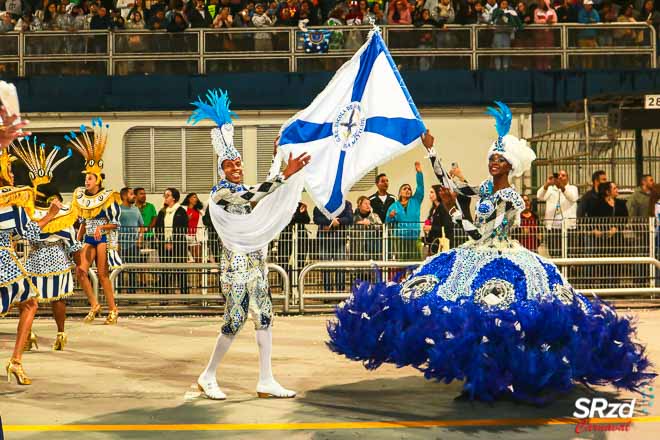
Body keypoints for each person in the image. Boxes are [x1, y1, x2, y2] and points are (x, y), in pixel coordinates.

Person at [328, 102, 655, 402]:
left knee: (501, 320)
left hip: (501, 257)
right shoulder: (485, 188)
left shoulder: (513, 199)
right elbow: (455, 189)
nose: (492, 163)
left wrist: (455, 212)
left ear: (510, 165)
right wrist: (432, 152)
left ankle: (508, 376)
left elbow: (479, 231)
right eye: (491, 158)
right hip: (473, 252)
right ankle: (476, 377)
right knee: (462, 318)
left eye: (499, 159)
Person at [191, 89, 310, 400]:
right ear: (221, 170)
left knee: (266, 315)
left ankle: (266, 379)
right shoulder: (220, 194)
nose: (237, 167)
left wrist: (278, 158)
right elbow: (253, 195)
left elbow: (263, 192)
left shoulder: (243, 187)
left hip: (255, 261)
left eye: (239, 163)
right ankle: (208, 374)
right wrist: (284, 174)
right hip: (235, 264)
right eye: (230, 165)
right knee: (235, 317)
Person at [1, 102, 62, 385]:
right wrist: (50, 215)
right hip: (4, 261)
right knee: (30, 304)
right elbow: (31, 234)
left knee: (30, 302)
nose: (14, 176)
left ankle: (16, 360)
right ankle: (15, 360)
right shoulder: (12, 199)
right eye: (10, 171)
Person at [11, 140, 81, 352]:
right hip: (58, 261)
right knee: (57, 299)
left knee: (30, 301)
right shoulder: (63, 216)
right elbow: (73, 245)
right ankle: (60, 333)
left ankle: (29, 334)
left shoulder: (29, 215)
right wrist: (80, 266)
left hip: (33, 260)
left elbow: (18, 235)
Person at [67, 118, 123, 325]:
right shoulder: (81, 196)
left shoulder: (109, 197)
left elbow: (116, 223)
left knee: (102, 274)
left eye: (89, 178)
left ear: (98, 180)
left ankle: (113, 309)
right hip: (89, 238)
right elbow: (82, 221)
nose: (86, 181)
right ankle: (94, 305)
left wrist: (101, 226)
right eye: (85, 178)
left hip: (103, 239)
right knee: (81, 271)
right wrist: (77, 241)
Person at [385, 161, 424, 261]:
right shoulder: (394, 206)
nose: (407, 190)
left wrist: (419, 173)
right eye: (404, 189)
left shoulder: (416, 201)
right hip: (400, 237)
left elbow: (420, 188)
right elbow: (387, 222)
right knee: (402, 261)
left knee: (416, 261)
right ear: (400, 193)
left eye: (409, 189)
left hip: (414, 236)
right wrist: (390, 216)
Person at [154, 187, 189, 294]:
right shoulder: (162, 211)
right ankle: (163, 294)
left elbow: (184, 228)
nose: (165, 197)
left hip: (178, 244)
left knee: (181, 268)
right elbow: (158, 228)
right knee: (164, 268)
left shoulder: (181, 211)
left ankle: (184, 294)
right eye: (164, 195)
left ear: (174, 198)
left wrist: (172, 241)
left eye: (167, 195)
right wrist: (164, 242)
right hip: (163, 245)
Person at [536, 170, 578, 257]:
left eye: (563, 175)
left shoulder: (573, 188)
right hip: (553, 227)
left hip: (569, 227)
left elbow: (573, 198)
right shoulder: (551, 189)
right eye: (559, 175)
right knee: (555, 253)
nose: (560, 177)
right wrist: (547, 184)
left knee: (570, 254)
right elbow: (539, 196)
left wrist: (562, 187)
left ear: (567, 178)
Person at [314, 201, 353, 291]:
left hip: (340, 240)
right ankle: (328, 291)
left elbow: (350, 218)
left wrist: (337, 221)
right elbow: (316, 218)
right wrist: (332, 222)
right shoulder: (321, 203)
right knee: (325, 267)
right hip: (324, 240)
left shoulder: (346, 203)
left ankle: (340, 291)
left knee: (340, 267)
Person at [118, 187, 144, 294]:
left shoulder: (136, 209)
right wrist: (116, 243)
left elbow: (142, 226)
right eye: (131, 194)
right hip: (119, 245)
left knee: (133, 270)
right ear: (124, 196)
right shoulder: (117, 210)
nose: (134, 196)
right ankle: (117, 293)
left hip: (133, 245)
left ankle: (132, 294)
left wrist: (140, 239)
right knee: (118, 270)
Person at [424, 184, 454, 254]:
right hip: (434, 242)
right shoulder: (433, 209)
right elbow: (430, 221)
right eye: (429, 192)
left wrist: (431, 228)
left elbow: (448, 227)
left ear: (438, 193)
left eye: (432, 192)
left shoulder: (444, 208)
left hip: (442, 243)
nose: (430, 195)